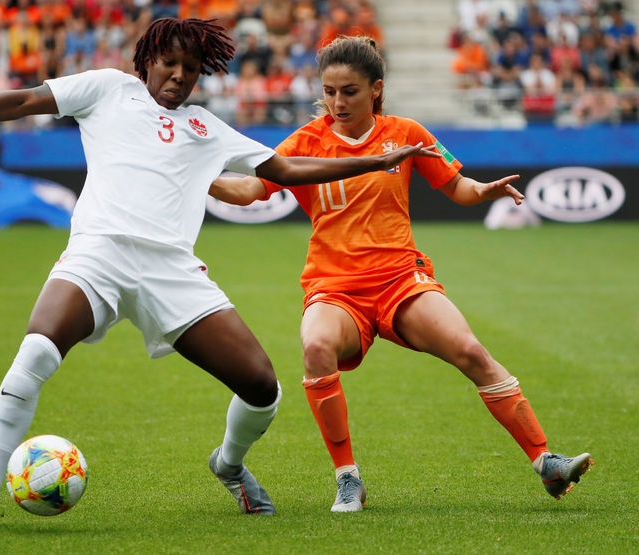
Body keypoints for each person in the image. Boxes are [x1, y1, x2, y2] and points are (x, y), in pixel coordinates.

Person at [0, 18, 436, 526]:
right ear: (147, 59)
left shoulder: (205, 127)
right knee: (35, 351)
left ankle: (229, 464)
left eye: (191, 69)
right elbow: (27, 99)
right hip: (97, 254)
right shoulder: (105, 88)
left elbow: (285, 168)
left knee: (263, 388)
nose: (179, 75)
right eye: (170, 62)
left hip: (171, 271)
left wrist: (372, 160)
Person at [210, 36, 592, 513]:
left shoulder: (405, 133)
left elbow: (457, 186)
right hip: (335, 288)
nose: (337, 102)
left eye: (348, 91)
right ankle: (348, 478)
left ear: (376, 89)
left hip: (399, 282)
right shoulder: (305, 142)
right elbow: (249, 189)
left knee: (471, 351)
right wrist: (196, 176)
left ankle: (546, 462)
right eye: (328, 91)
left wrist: (485, 190)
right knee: (315, 346)